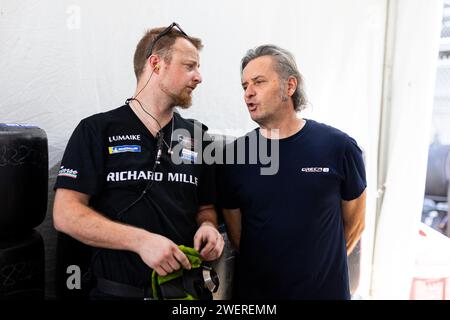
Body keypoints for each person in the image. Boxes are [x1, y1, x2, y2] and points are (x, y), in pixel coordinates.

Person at [53, 23, 224, 300]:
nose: (199, 77)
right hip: (117, 292)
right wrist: (141, 241)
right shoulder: (96, 130)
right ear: (156, 64)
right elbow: (66, 215)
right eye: (190, 66)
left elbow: (205, 208)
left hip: (184, 293)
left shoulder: (198, 137)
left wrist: (209, 228)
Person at [218, 45, 366, 300]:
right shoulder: (234, 157)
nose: (248, 93)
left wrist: (319, 267)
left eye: (259, 82)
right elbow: (238, 236)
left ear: (290, 86)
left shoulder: (338, 147)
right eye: (244, 86)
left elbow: (355, 223)